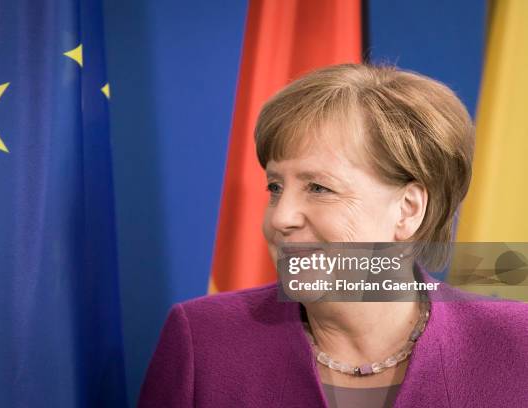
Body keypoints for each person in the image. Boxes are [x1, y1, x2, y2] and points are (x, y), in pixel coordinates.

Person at [137, 64, 528, 407]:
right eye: (275, 187)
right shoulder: (203, 340)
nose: (281, 218)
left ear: (408, 208)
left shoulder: (516, 344)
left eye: (318, 188)